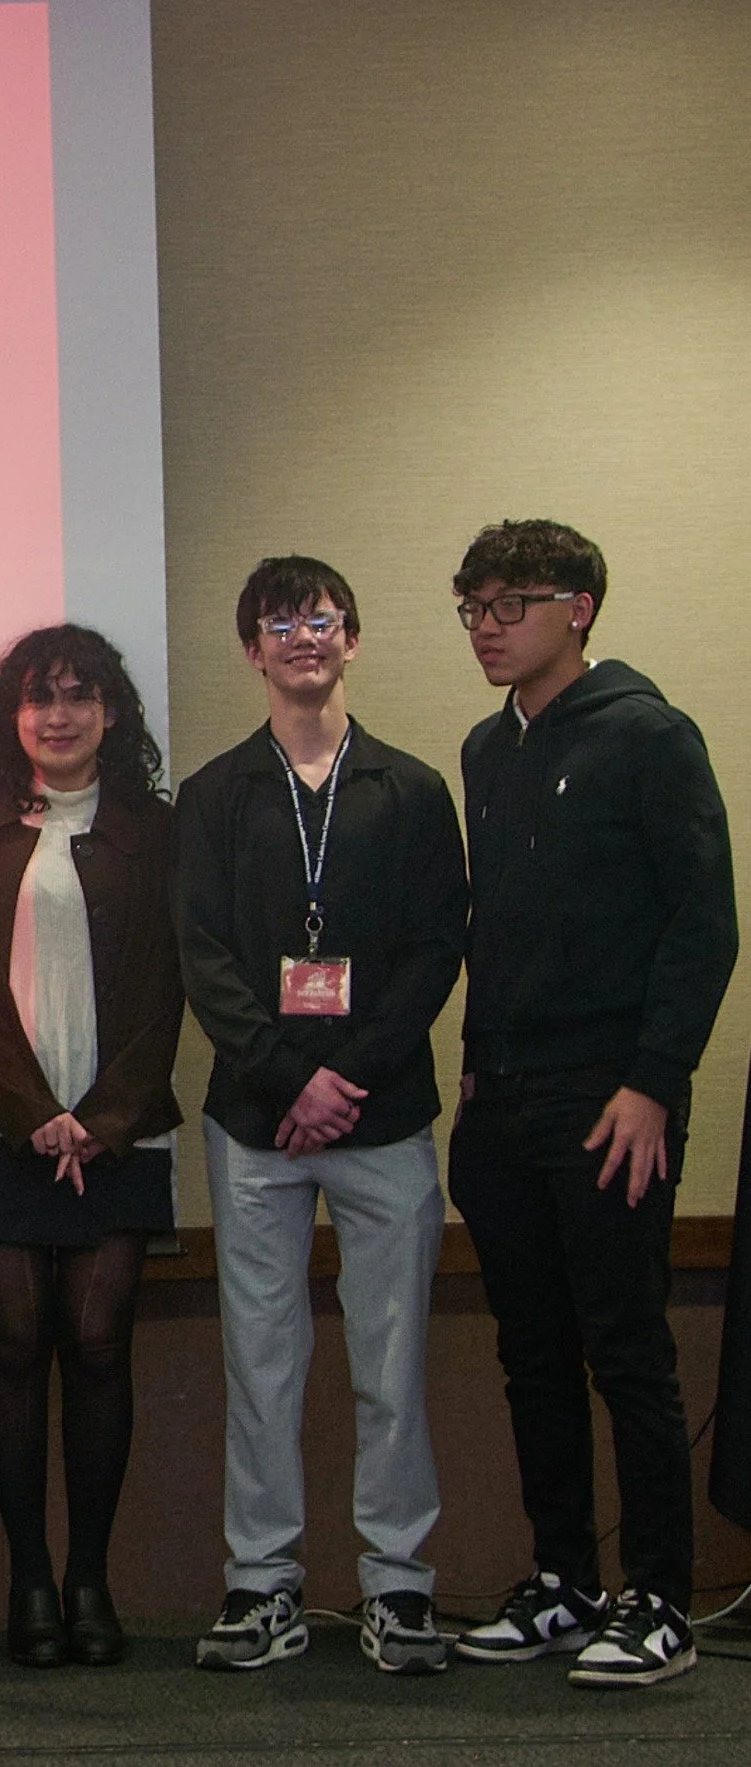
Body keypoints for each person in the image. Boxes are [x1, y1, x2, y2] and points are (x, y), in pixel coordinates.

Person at [445, 520, 736, 1688]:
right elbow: (498, 930)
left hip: (612, 1097)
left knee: (626, 1350)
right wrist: (472, 1062)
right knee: (530, 1352)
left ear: (579, 608)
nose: (486, 626)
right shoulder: (484, 749)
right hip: (502, 1095)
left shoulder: (650, 736)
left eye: (509, 604)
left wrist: (655, 1084)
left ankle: (659, 1597)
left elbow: (703, 924)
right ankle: (564, 1578)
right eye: (470, 605)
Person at [174, 557, 467, 1676]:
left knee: (391, 1362)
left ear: (353, 639)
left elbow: (440, 946)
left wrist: (343, 1074)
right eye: (280, 622)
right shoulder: (213, 796)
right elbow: (206, 957)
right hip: (256, 1122)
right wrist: (290, 1078)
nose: (304, 636)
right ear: (252, 648)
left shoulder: (411, 788)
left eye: (323, 618)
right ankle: (265, 1585)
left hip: (384, 1114)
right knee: (263, 1360)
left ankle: (397, 1586)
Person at [0, 627, 181, 1670]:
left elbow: (169, 988)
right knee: (15, 1349)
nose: (59, 716)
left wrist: (103, 1118)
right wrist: (34, 1111)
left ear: (112, 713)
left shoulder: (155, 834)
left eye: (80, 697)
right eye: (39, 699)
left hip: (119, 1126)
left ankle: (91, 1581)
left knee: (104, 1345)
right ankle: (30, 1577)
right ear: (10, 718)